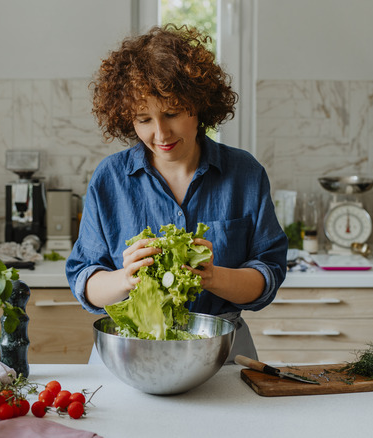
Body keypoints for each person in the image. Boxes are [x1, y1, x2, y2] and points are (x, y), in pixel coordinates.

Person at [66, 24, 288, 363]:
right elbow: (85, 280)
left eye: (171, 113)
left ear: (198, 107)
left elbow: (267, 276)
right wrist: (125, 279)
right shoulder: (110, 179)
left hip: (221, 353)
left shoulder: (244, 173)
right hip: (130, 352)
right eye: (143, 119)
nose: (160, 133)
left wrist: (214, 276)